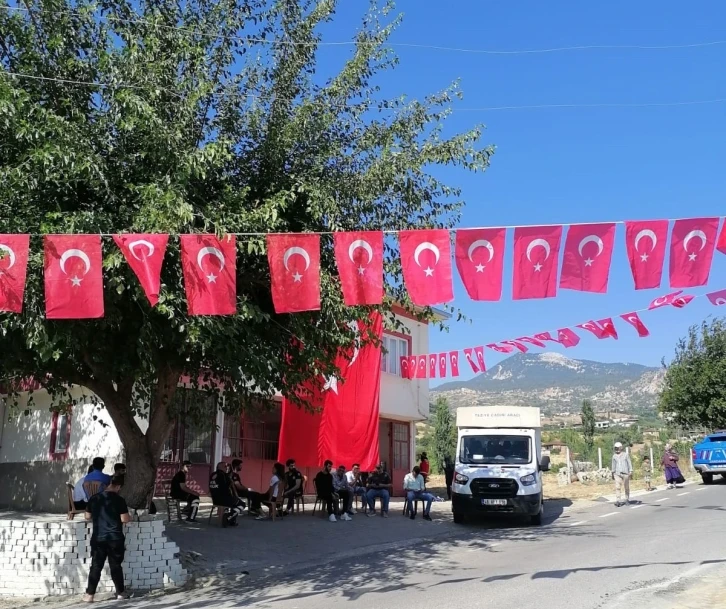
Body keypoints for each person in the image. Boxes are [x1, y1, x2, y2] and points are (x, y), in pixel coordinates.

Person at [83, 474, 131, 602]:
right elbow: (124, 519)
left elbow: (87, 516)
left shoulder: (94, 498)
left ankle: (89, 595)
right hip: (115, 538)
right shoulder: (119, 500)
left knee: (96, 566)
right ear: (119, 486)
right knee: (115, 566)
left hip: (98, 538)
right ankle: (121, 593)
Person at [209, 461, 244, 527]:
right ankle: (228, 518)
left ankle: (231, 520)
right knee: (242, 504)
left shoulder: (212, 475)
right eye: (225, 466)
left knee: (235, 502)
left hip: (215, 500)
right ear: (220, 467)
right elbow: (230, 486)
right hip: (224, 500)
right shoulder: (224, 476)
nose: (227, 468)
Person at [611, 442, 633, 507]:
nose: (617, 449)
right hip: (617, 474)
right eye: (616, 448)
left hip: (625, 473)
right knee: (617, 487)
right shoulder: (614, 456)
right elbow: (613, 465)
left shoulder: (625, 455)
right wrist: (612, 473)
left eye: (618, 448)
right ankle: (618, 500)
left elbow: (629, 463)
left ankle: (627, 499)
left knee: (626, 487)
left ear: (621, 448)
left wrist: (631, 471)